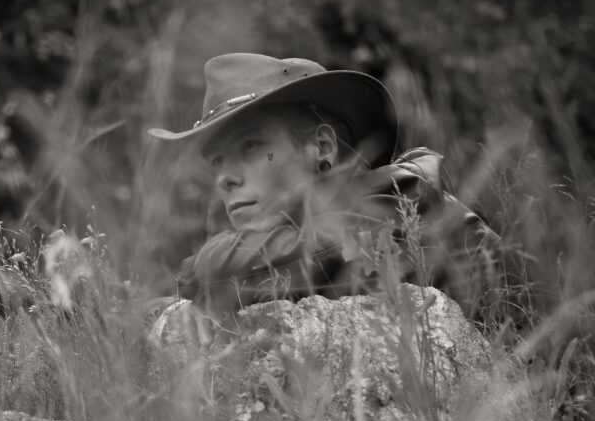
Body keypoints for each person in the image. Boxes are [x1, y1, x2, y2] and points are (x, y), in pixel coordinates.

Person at [146, 53, 499, 345]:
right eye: (218, 161)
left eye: (251, 145)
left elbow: (281, 264)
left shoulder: (398, 202)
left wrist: (202, 266)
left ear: (323, 147)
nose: (225, 178)